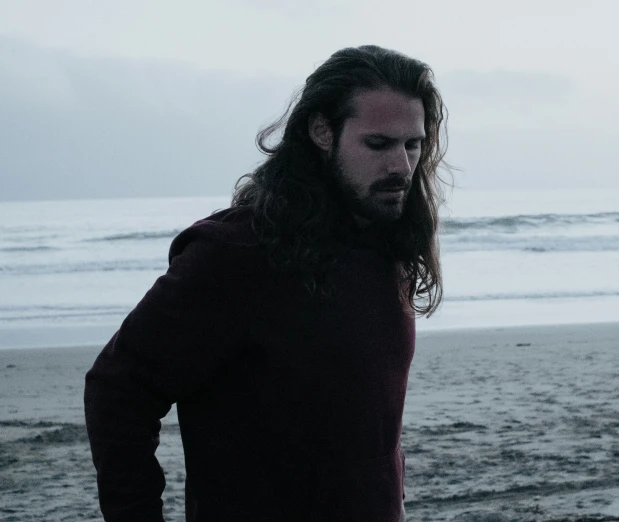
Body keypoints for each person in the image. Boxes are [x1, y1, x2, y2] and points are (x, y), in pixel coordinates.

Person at [84, 44, 450, 522]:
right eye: (378, 145)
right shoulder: (238, 253)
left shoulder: (386, 242)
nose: (401, 166)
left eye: (413, 144)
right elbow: (118, 389)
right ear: (322, 131)